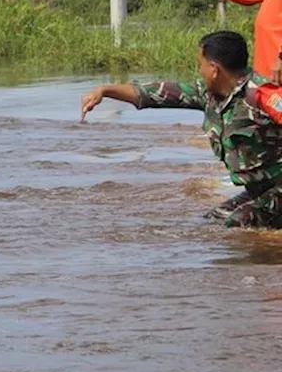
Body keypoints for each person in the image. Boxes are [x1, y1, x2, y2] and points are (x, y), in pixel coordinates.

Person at [81, 31, 282, 228]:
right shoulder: (208, 95)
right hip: (259, 189)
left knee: (239, 223)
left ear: (214, 69)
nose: (199, 71)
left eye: (200, 65)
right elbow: (154, 94)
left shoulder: (262, 95)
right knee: (212, 221)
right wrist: (105, 90)